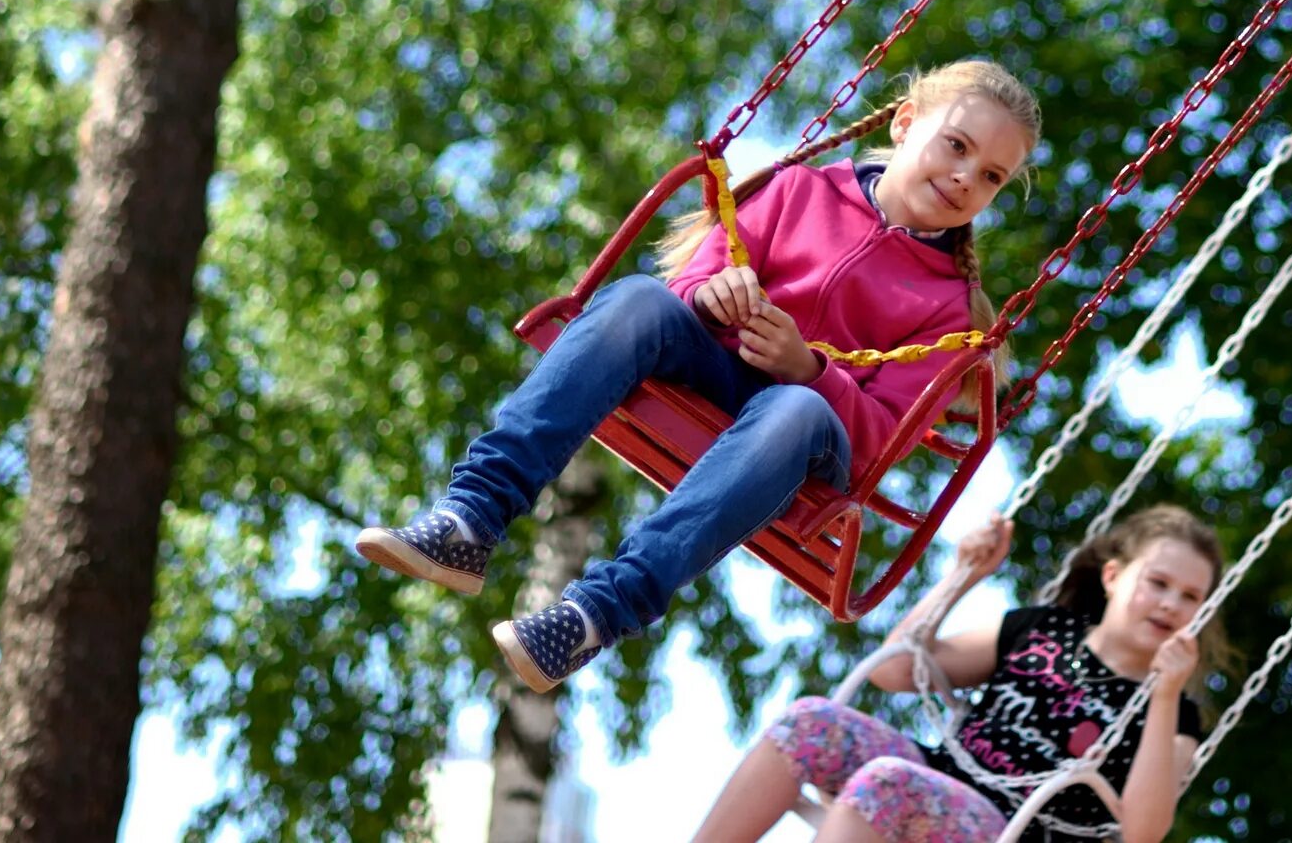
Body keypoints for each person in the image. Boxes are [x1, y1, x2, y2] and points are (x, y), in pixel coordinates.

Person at [353, 60, 1042, 692]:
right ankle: (472, 517)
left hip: (804, 440)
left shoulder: (951, 311)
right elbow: (701, 273)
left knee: (794, 409)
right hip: (720, 364)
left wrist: (809, 370)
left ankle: (596, 614)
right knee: (638, 300)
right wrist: (710, 297)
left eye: (990, 177)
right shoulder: (798, 189)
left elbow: (877, 440)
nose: (964, 177)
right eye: (957, 145)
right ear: (905, 122)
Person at [689, 507, 1225, 843]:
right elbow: (897, 670)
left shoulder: (1174, 713)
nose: (1170, 604)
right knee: (810, 723)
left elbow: (1143, 831)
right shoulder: (1042, 629)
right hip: (940, 773)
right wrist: (963, 576)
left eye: (1189, 597)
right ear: (1113, 575)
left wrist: (1165, 691)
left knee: (887, 783)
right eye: (1159, 583)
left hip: (1015, 829)